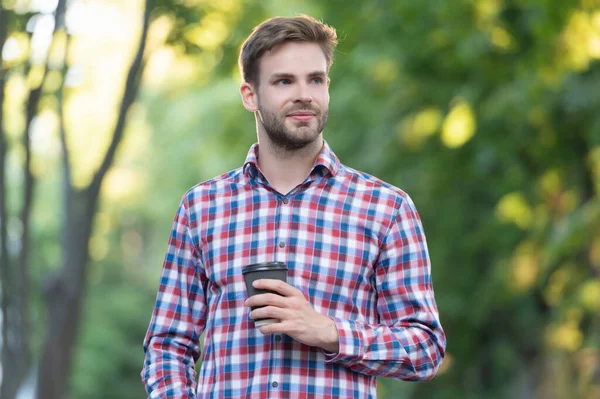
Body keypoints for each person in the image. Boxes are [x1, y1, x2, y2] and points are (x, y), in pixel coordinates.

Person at [141, 14, 446, 399]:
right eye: (284, 81)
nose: (304, 94)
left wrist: (329, 331)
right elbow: (167, 346)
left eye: (315, 79)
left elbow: (425, 348)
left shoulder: (386, 208)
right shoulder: (202, 207)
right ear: (249, 95)